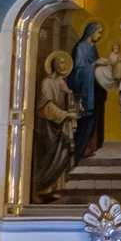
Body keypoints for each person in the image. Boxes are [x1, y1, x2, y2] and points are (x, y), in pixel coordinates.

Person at [32, 51, 82, 201]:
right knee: (49, 159)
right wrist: (66, 115)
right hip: (48, 127)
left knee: (61, 155)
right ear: (54, 66)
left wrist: (68, 93)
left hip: (58, 126)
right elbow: (46, 106)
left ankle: (52, 189)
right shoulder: (46, 83)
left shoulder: (60, 82)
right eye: (61, 63)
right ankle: (39, 190)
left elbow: (67, 99)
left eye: (65, 63)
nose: (64, 65)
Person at [71, 21, 106, 162]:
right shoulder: (81, 47)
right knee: (84, 119)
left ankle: (89, 147)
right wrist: (95, 64)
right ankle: (80, 149)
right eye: (99, 32)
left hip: (94, 88)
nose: (100, 35)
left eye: (102, 33)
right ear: (91, 32)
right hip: (83, 91)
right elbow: (78, 70)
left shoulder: (93, 47)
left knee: (94, 118)